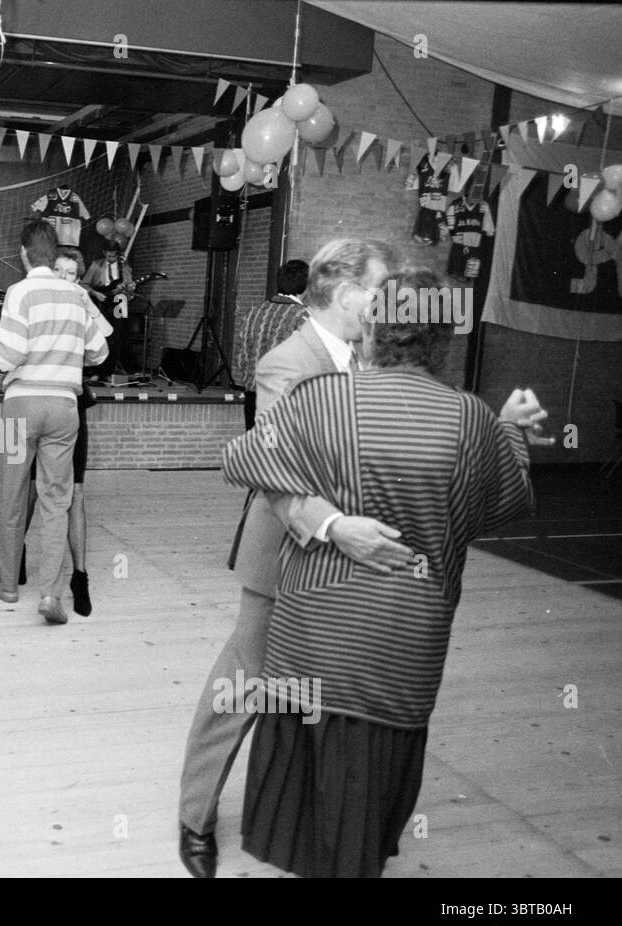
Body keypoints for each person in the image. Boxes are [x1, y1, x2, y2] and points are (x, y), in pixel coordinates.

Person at [222, 266, 543, 877]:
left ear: (372, 330)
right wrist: (510, 431)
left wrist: (330, 519)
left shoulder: (319, 400)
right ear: (443, 341)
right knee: (359, 818)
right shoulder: (469, 419)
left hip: (311, 638)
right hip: (402, 647)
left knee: (303, 810)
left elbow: (240, 460)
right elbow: (502, 504)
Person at [177, 238, 415, 877]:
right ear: (344, 295)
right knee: (244, 688)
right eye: (377, 289)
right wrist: (335, 524)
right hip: (288, 556)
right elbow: (280, 471)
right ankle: (195, 816)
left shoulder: (372, 360)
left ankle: (321, 824)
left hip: (350, 565)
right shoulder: (287, 363)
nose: (385, 301)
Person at [0, 220, 108, 625]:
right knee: (56, 501)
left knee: (12, 495)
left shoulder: (19, 292)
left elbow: (9, 355)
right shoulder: (77, 296)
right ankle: (49, 595)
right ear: (53, 251)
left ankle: (8, 585)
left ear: (25, 253)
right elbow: (99, 352)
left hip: (20, 405)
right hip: (63, 409)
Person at [18, 249, 105, 615]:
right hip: (37, 402)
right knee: (29, 487)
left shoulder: (80, 304)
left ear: (79, 278)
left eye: (72, 273)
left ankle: (79, 577)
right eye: (59, 270)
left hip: (69, 404)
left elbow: (102, 352)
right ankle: (16, 555)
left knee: (76, 494)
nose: (64, 277)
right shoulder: (32, 298)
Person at [233, 259, 309, 429]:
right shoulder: (303, 317)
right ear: (306, 286)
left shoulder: (254, 312)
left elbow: (241, 358)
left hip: (254, 396)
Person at [80, 239, 135, 381]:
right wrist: (95, 293)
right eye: (109, 256)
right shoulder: (96, 265)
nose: (111, 259)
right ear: (104, 253)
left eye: (114, 256)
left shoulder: (125, 267)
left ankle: (112, 371)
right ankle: (99, 371)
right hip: (101, 300)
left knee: (119, 335)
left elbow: (129, 289)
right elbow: (84, 284)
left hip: (120, 301)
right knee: (103, 335)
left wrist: (130, 289)